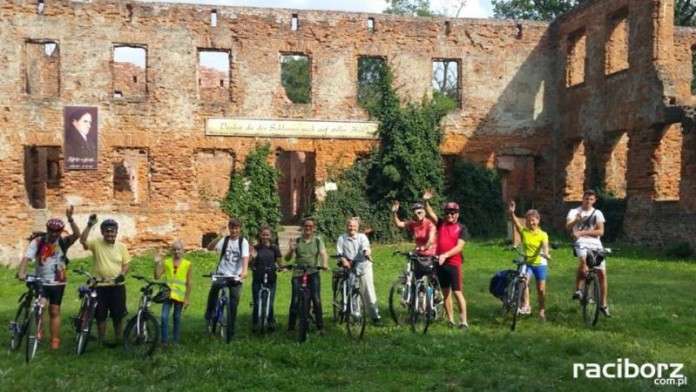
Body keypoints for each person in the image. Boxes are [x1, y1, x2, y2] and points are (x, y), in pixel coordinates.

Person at [17, 206, 80, 350]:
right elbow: (26, 258)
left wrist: (70, 219)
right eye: (51, 230)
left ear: (60, 231)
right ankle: (39, 329)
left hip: (58, 282)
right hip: (42, 281)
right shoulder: (38, 242)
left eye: (57, 231)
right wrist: (22, 272)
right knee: (41, 306)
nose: (54, 233)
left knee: (55, 311)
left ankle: (55, 339)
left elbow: (77, 234)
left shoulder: (63, 242)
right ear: (47, 229)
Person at [80, 215, 132, 346]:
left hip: (117, 285)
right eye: (107, 231)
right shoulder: (96, 243)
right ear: (103, 232)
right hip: (99, 286)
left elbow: (126, 264)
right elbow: (83, 240)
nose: (110, 233)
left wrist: (122, 274)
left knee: (118, 314)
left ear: (116, 232)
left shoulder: (121, 247)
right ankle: (101, 339)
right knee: (100, 315)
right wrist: (89, 225)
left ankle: (118, 337)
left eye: (112, 231)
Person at [423, 190, 469, 329]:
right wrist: (425, 201)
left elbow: (459, 247)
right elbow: (430, 213)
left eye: (452, 212)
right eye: (447, 212)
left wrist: (445, 255)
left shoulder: (461, 228)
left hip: (453, 264)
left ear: (457, 214)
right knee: (445, 292)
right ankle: (451, 319)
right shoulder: (441, 224)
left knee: (457, 292)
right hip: (440, 263)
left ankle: (463, 321)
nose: (449, 215)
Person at [566, 189, 610, 317]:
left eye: (591, 199)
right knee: (583, 261)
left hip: (595, 243)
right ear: (583, 198)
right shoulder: (574, 212)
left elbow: (600, 231)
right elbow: (568, 227)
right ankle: (579, 290)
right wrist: (576, 221)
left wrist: (582, 232)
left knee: (602, 272)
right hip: (580, 242)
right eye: (586, 199)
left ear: (594, 200)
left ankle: (603, 304)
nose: (588, 201)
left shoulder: (598, 213)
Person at [204, 217, 249, 341]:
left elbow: (245, 257)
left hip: (235, 275)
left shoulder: (243, 242)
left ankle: (231, 329)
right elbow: (209, 248)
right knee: (214, 290)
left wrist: (244, 271)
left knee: (234, 303)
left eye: (236, 228)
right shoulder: (224, 240)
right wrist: (219, 236)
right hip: (222, 272)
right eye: (232, 228)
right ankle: (209, 312)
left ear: (239, 229)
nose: (234, 231)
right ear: (229, 228)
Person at [284, 217, 329, 335]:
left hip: (313, 272)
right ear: (302, 228)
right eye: (306, 226)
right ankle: (291, 328)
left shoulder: (318, 240)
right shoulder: (297, 241)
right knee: (295, 300)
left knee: (316, 299)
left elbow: (323, 253)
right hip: (298, 272)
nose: (308, 228)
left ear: (314, 228)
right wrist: (291, 250)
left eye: (310, 226)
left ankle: (320, 328)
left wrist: (324, 264)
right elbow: (287, 258)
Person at [508, 201, 551, 320]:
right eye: (528, 220)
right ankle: (526, 305)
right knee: (524, 280)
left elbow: (545, 245)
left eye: (533, 220)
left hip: (539, 264)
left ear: (538, 220)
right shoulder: (524, 232)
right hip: (526, 263)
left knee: (541, 289)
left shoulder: (543, 234)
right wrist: (512, 213)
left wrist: (546, 253)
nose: (530, 222)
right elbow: (516, 223)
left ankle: (541, 311)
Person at [336, 217, 382, 326]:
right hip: (349, 267)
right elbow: (339, 253)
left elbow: (365, 246)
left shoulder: (362, 237)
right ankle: (355, 315)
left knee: (368, 291)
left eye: (354, 226)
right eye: (350, 226)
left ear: (358, 227)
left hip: (363, 266)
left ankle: (375, 317)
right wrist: (343, 260)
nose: (352, 228)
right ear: (347, 226)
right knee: (352, 291)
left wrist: (366, 253)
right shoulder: (342, 238)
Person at [154, 240, 191, 346]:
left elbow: (189, 283)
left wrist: (187, 298)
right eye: (174, 249)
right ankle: (164, 341)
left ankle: (175, 341)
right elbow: (157, 276)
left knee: (177, 317)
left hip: (179, 296)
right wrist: (156, 263)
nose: (176, 252)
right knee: (164, 317)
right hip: (167, 294)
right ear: (171, 251)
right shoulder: (167, 263)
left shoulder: (187, 264)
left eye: (179, 249)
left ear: (183, 251)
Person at [249, 226, 284, 332]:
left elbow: (279, 261)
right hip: (258, 277)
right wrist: (252, 257)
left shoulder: (274, 248)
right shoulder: (256, 248)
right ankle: (255, 323)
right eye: (263, 234)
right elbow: (248, 262)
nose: (265, 237)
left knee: (270, 301)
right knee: (257, 301)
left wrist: (282, 268)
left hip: (271, 277)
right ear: (260, 235)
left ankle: (270, 322)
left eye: (267, 235)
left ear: (270, 236)